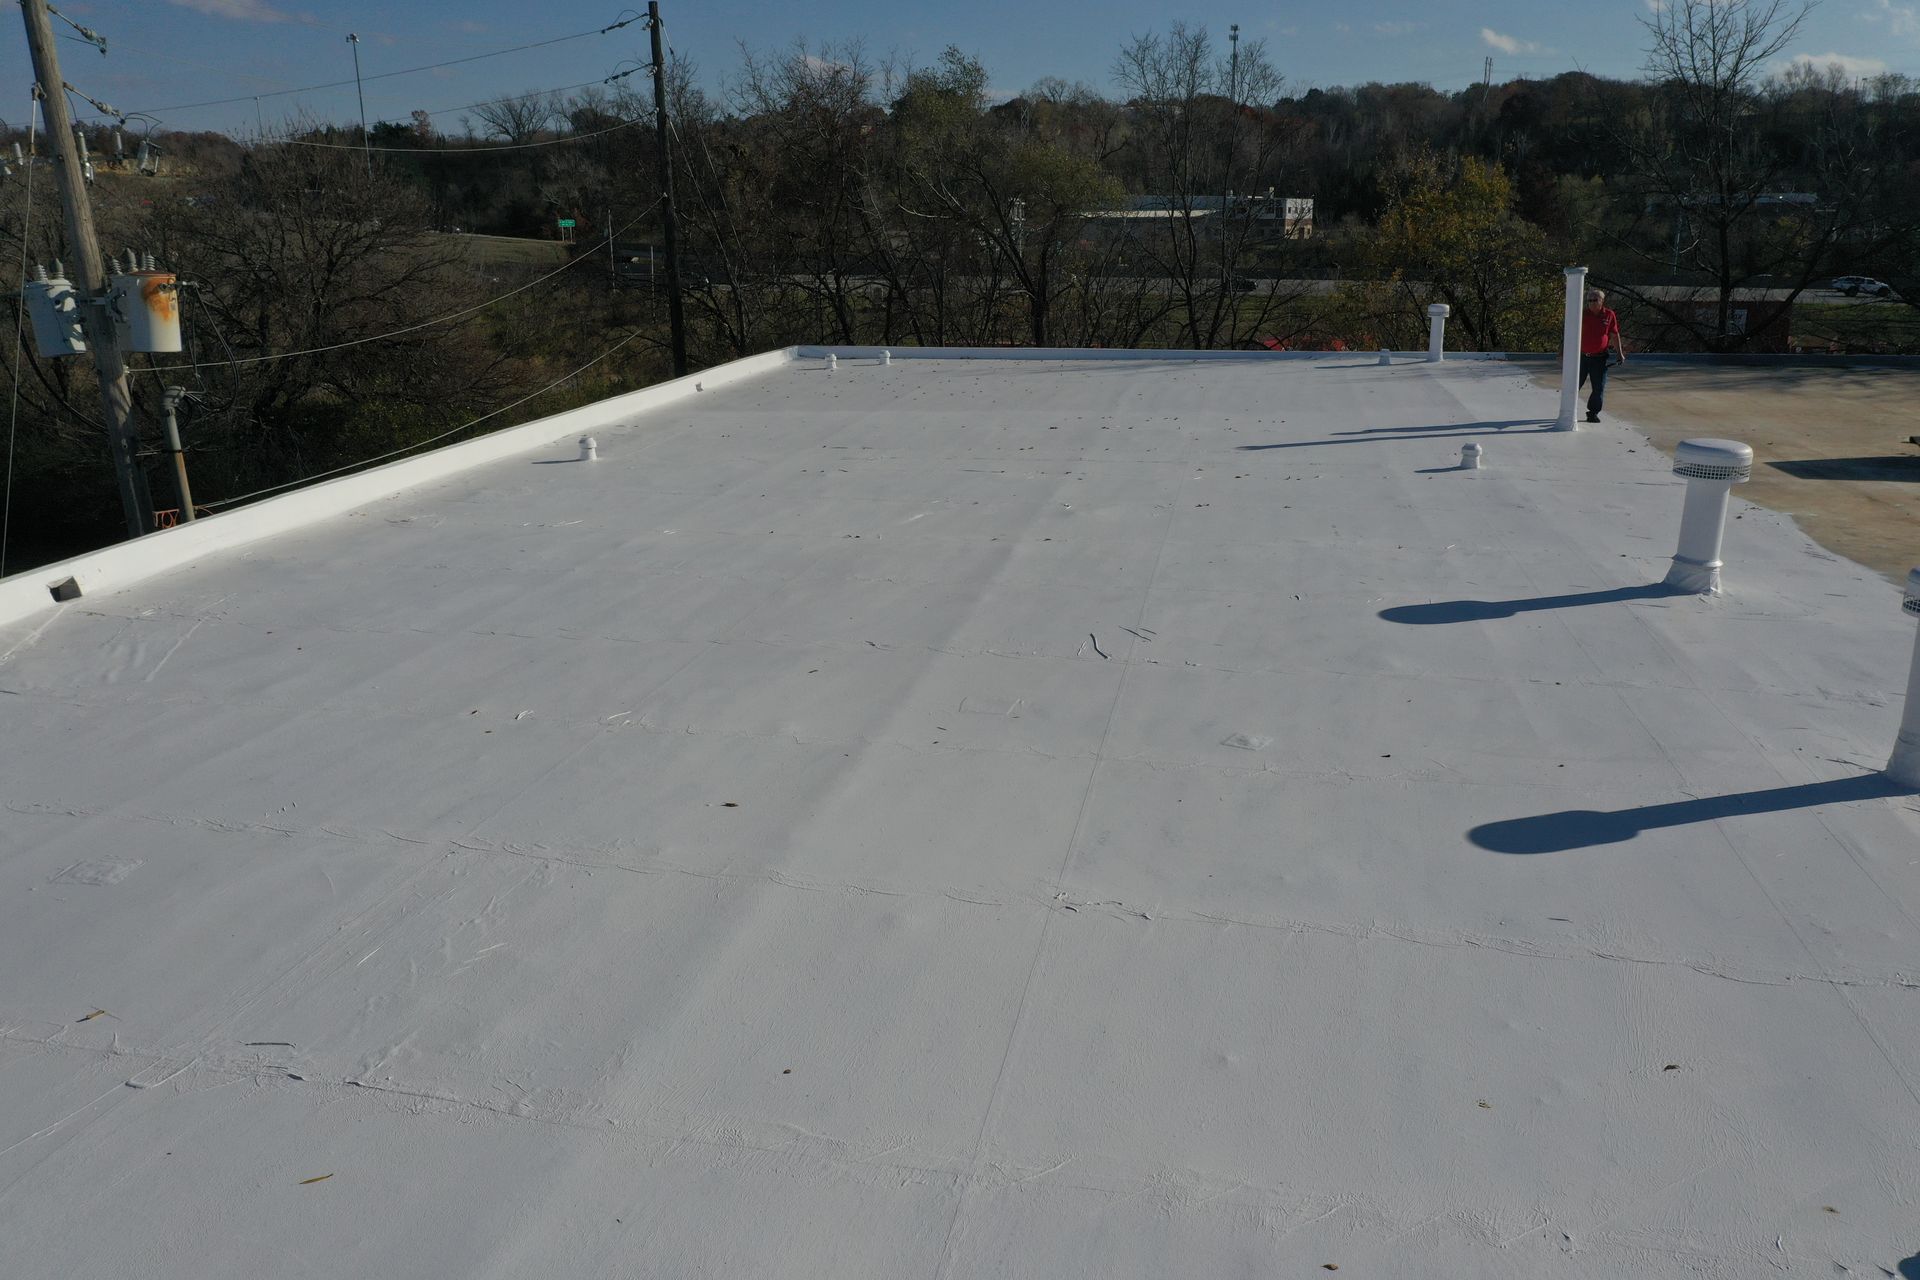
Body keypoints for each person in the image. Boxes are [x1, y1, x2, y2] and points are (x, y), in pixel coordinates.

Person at [1578, 288, 1626, 422]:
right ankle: (1568, 411)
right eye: (1589, 300)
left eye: (1595, 300)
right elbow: (1569, 333)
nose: (1592, 303)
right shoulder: (1582, 314)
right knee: (1574, 385)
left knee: (1598, 387)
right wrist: (1562, 353)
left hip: (1599, 358)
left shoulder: (1609, 315)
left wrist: (1619, 353)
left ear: (1602, 301)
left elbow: (1614, 335)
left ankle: (1593, 413)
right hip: (1581, 358)